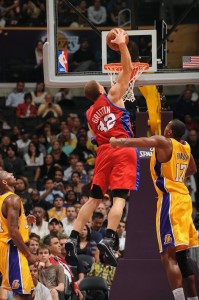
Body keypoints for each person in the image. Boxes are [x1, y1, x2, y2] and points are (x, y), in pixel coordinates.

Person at [65, 28, 138, 267]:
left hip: (103, 153)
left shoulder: (88, 114)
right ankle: (109, 237)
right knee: (119, 198)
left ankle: (73, 237)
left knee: (94, 198)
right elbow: (127, 71)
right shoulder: (114, 95)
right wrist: (122, 44)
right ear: (101, 90)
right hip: (122, 148)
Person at [110, 119, 199, 300]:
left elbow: (143, 141)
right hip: (184, 199)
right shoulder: (185, 146)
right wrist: (176, 176)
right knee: (182, 256)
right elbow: (192, 169)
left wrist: (118, 142)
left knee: (168, 255)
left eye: (166, 126)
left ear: (169, 131)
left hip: (170, 200)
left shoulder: (164, 142)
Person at [0, 171, 37, 299]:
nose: (11, 173)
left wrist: (24, 220)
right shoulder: (12, 199)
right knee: (23, 294)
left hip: (4, 247)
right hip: (12, 248)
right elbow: (13, 231)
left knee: (29, 293)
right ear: (4, 182)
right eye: (7, 174)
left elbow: (5, 223)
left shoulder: (2, 200)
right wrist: (28, 254)